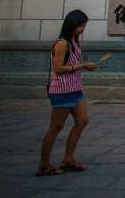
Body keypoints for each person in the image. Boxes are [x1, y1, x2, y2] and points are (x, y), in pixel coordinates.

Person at [37, 9, 97, 176]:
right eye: (80, 26)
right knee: (56, 127)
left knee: (82, 121)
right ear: (72, 25)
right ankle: (44, 164)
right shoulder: (62, 43)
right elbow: (59, 68)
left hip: (75, 88)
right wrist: (83, 66)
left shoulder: (74, 41)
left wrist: (84, 66)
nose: (83, 29)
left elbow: (72, 63)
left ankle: (68, 159)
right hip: (62, 90)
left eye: (84, 26)